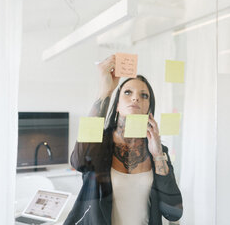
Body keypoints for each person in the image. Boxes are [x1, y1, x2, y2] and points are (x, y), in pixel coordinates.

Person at [64, 55, 183, 225]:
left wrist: (157, 155)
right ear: (117, 105)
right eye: (128, 92)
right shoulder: (100, 142)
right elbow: (78, 162)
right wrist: (105, 92)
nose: (135, 98)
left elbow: (173, 213)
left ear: (148, 108)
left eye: (144, 96)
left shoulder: (158, 151)